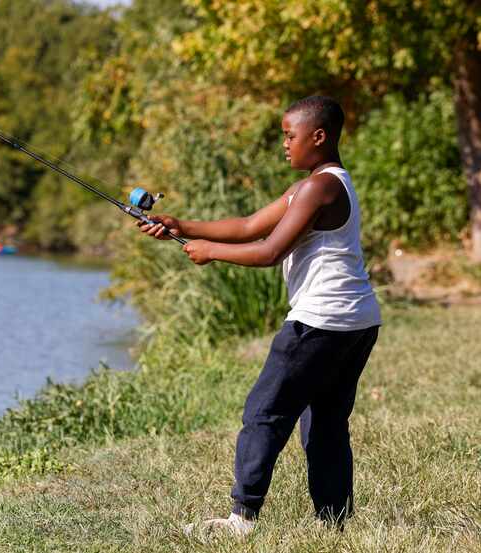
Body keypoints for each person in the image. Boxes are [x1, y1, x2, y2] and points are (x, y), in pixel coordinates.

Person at [139, 96, 381, 536]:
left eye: (291, 135)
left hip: (320, 321)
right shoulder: (319, 184)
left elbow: (270, 251)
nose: (285, 144)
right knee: (325, 422)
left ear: (319, 136)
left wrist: (210, 253)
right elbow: (252, 225)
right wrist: (183, 226)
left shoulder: (318, 188)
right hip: (357, 321)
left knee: (264, 412)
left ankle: (242, 518)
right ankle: (334, 523)